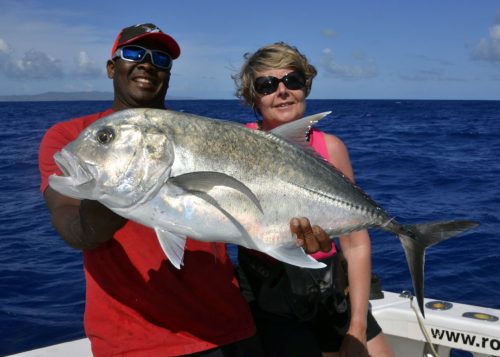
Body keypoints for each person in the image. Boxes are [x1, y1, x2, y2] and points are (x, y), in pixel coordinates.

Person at [39, 23, 331, 357]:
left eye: (161, 58)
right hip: (136, 342)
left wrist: (289, 235)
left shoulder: (203, 133)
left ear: (169, 73)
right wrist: (122, 181)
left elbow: (246, 209)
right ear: (111, 67)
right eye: (134, 53)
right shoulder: (71, 138)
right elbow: (77, 232)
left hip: (231, 328)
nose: (148, 63)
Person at [233, 42, 395, 357]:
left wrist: (357, 328)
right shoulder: (240, 145)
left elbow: (356, 244)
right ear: (253, 97)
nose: (281, 91)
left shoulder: (332, 148)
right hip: (272, 302)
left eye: (292, 81)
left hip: (330, 293)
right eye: (266, 85)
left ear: (305, 87)